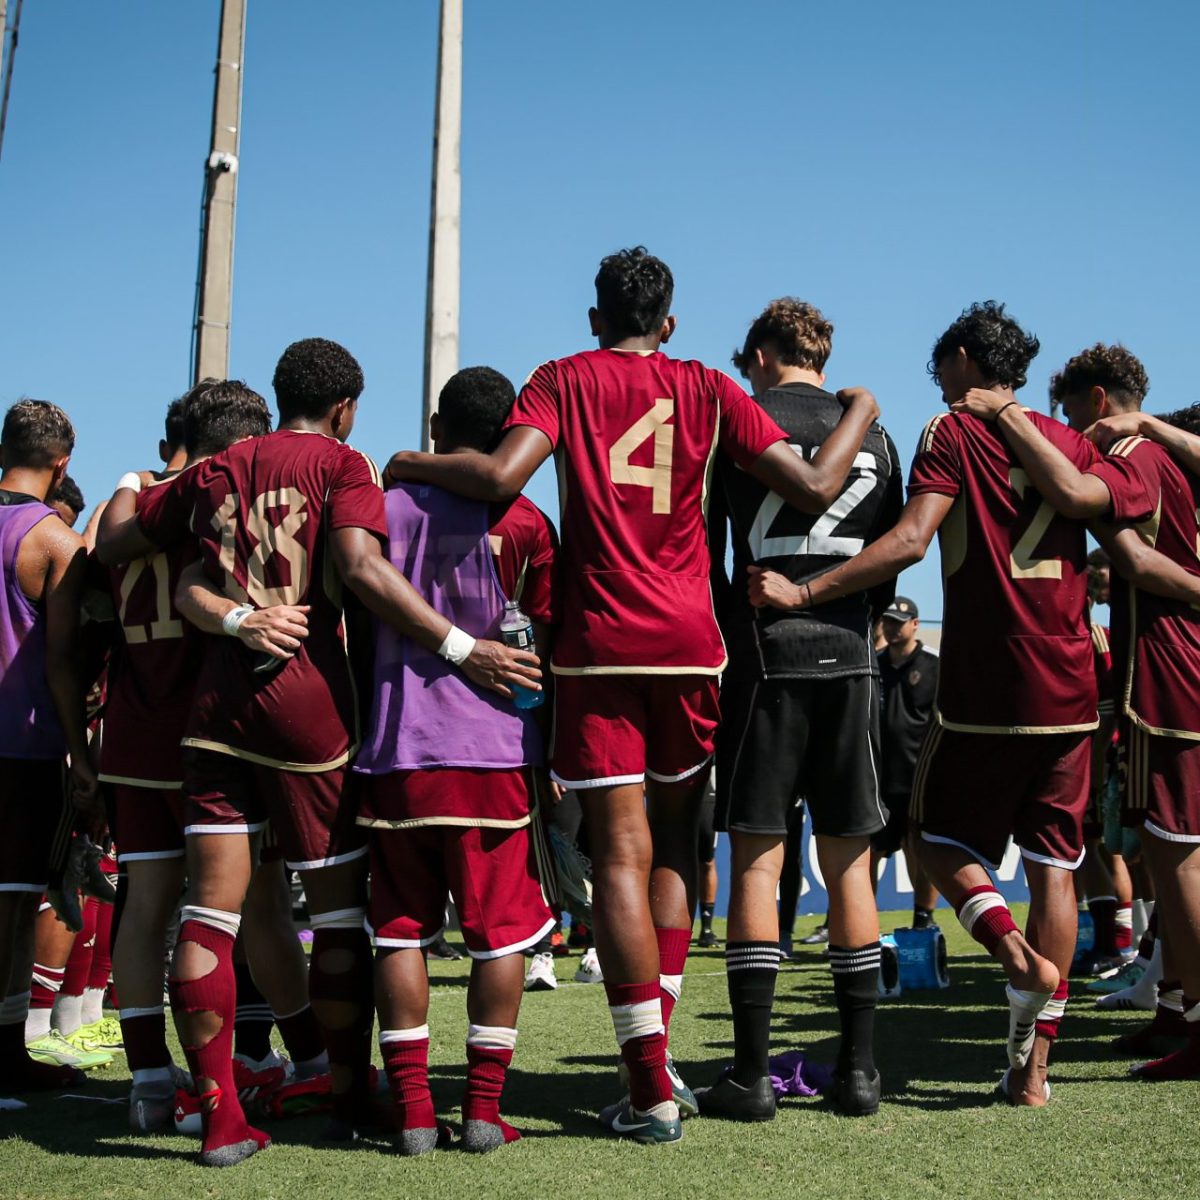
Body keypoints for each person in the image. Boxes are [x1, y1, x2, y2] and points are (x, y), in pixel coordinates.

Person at [385, 248, 881, 1144]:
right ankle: (662, 1066)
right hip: (692, 644)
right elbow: (814, 485)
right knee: (674, 846)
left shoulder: (564, 376)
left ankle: (649, 1085)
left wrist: (411, 459)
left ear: (593, 318)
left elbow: (500, 478)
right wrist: (865, 407)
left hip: (600, 644)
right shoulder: (703, 384)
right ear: (673, 322)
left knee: (617, 850)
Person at [97, 340, 540, 1167]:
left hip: (216, 709)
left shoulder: (215, 469)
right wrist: (458, 647)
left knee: (210, 912)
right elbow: (359, 570)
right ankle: (344, 1090)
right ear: (345, 409)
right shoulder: (346, 464)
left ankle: (220, 1120)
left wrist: (218, 598)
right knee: (338, 912)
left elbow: (119, 545)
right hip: (311, 706)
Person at [747, 302, 1112, 1106]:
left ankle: (1013, 954)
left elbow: (912, 541)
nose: (936, 376)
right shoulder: (1068, 439)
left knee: (934, 839)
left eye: (942, 362)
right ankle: (1033, 1070)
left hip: (987, 680)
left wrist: (806, 589)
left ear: (959, 356)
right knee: (1056, 866)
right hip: (1074, 682)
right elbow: (1094, 508)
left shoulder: (952, 431)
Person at [954, 345, 1200, 1080]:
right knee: (1161, 850)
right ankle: (1175, 1008)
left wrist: (1005, 415)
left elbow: (1100, 521)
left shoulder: (1133, 451)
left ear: (1096, 401)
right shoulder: (1173, 452)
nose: (1065, 427)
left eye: (1067, 413)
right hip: (1171, 665)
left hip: (1170, 668)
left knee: (1176, 851)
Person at [100, 382, 329, 1133]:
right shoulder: (220, 503)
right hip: (211, 734)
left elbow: (86, 600)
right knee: (254, 908)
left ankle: (148, 1083)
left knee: (146, 911)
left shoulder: (130, 503)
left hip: (131, 735)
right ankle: (303, 1062)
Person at [700, 297, 901, 1120]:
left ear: (759, 353)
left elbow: (708, 546)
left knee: (756, 858)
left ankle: (750, 1076)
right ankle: (857, 1072)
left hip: (764, 663)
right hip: (851, 659)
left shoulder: (738, 423)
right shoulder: (878, 437)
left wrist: (735, 632)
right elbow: (888, 559)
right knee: (850, 861)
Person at [354, 366, 558, 1155]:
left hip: (396, 749)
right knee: (500, 937)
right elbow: (545, 643)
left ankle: (410, 1114)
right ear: (509, 435)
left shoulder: (381, 509)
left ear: (438, 429)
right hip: (494, 754)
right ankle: (480, 1111)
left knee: (399, 933)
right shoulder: (529, 521)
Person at [0, 400, 98, 1098]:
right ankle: (6, 1057)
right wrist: (82, 756)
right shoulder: (53, 542)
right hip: (22, 745)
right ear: (62, 462)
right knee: (10, 909)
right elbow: (65, 665)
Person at [872, 596, 941, 928]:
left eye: (899, 622)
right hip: (877, 777)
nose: (892, 627)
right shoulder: (873, 664)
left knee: (919, 851)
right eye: (888, 621)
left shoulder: (933, 665)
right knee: (867, 852)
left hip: (919, 778)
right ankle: (857, 922)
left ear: (915, 624)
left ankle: (923, 919)